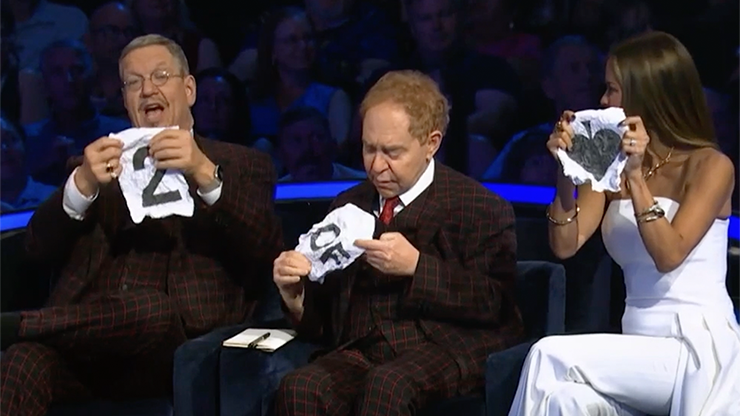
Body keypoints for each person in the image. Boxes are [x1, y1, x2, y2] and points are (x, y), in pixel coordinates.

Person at [0, 34, 283, 416]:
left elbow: (265, 248)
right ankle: (22, 332)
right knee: (23, 361)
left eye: (160, 76)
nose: (147, 89)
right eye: (134, 82)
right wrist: (81, 186)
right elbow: (35, 247)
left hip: (175, 351)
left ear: (189, 89)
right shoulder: (94, 164)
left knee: (150, 308)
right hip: (84, 345)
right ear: (124, 99)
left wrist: (203, 172)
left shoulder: (242, 165)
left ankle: (15, 325)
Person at [509, 31, 740, 416]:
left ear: (646, 94)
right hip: (636, 348)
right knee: (564, 401)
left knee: (548, 355)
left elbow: (669, 254)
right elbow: (565, 244)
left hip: (695, 348)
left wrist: (635, 177)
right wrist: (565, 171)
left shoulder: (711, 166)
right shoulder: (609, 163)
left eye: (612, 90)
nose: (603, 101)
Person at [272, 70, 524, 416]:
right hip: (364, 347)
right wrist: (296, 296)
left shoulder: (480, 207)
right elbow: (327, 321)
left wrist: (417, 267)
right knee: (300, 388)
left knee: (388, 386)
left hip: (443, 343)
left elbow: (496, 302)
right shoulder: (349, 205)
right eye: (368, 148)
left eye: (392, 152)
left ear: (431, 143)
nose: (377, 166)